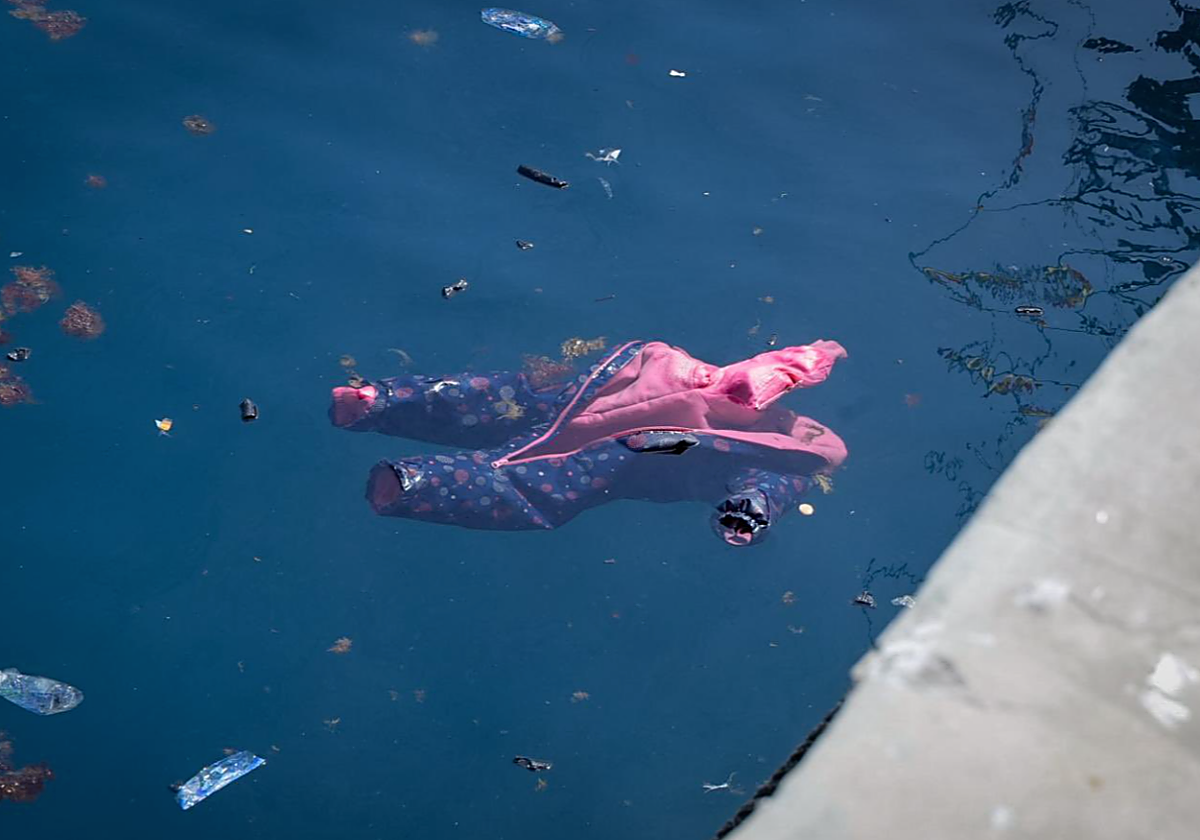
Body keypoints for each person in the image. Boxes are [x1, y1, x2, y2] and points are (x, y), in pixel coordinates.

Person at [329, 339, 848, 546]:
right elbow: (771, 480)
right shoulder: (782, 450)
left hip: (603, 399)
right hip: (629, 450)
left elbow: (765, 482)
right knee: (538, 482)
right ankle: (412, 483)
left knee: (513, 399)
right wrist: (751, 508)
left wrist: (752, 502)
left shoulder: (690, 375)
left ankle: (379, 400)